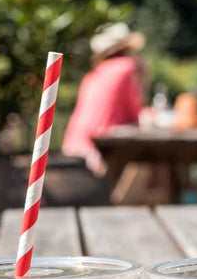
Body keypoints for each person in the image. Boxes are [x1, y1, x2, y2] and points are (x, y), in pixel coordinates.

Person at [62, 22, 145, 175]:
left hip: (73, 142)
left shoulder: (92, 75)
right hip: (98, 147)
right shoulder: (126, 68)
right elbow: (135, 113)